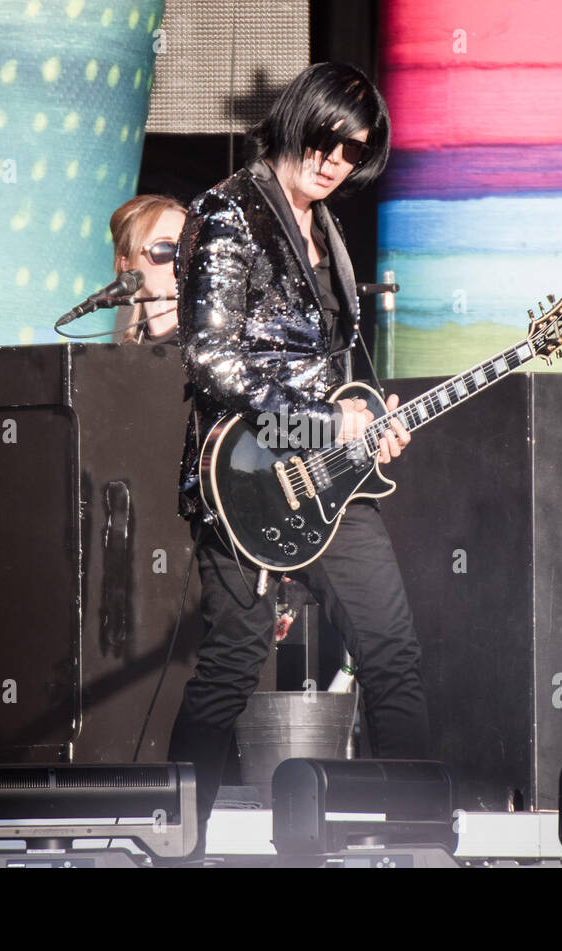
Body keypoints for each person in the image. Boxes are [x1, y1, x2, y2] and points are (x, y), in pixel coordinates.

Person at [168, 62, 430, 858]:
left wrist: (378, 418)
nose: (335, 162)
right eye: (328, 141)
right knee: (233, 660)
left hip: (335, 479)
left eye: (353, 154)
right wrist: (323, 421)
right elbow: (211, 357)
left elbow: (342, 355)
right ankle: (179, 842)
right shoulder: (228, 212)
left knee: (392, 649)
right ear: (298, 119)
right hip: (246, 470)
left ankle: (419, 836)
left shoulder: (332, 233)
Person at [108, 194, 187, 345]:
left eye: (187, 247)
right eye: (165, 248)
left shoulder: (216, 342)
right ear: (128, 265)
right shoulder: (127, 356)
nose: (179, 258)